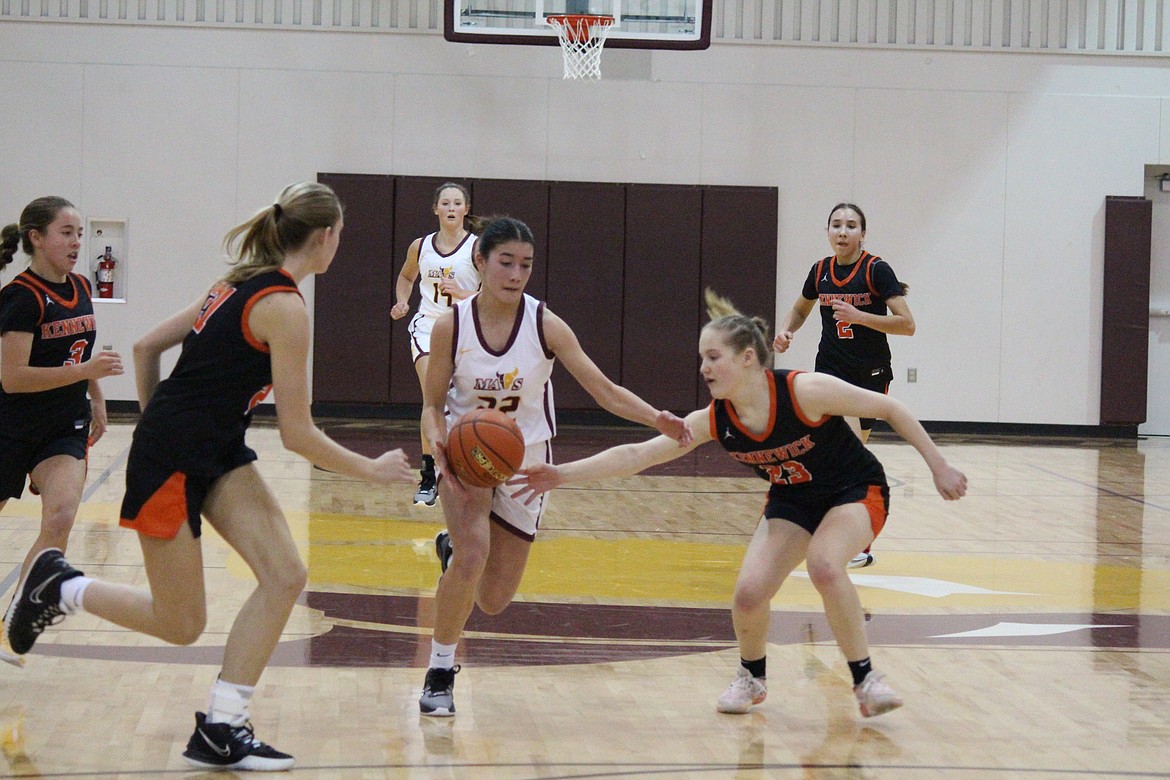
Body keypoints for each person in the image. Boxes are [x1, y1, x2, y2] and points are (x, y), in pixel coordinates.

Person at [3, 182, 416, 771]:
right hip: (177, 456)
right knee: (182, 623)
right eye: (340, 236)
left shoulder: (236, 283)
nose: (338, 245)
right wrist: (369, 469)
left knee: (284, 573)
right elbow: (298, 435)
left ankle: (223, 726)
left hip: (212, 449)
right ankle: (60, 587)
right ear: (325, 237)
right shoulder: (285, 307)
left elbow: (147, 348)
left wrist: (159, 421)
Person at [512, 289, 966, 720]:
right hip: (794, 499)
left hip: (854, 490)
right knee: (749, 594)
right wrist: (560, 474)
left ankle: (866, 680)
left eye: (713, 358)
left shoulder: (803, 391)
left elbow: (891, 410)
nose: (704, 369)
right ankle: (752, 677)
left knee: (825, 565)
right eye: (701, 359)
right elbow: (639, 454)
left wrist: (939, 467)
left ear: (748, 358)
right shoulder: (715, 419)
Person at [416, 216, 692, 717]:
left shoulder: (545, 323)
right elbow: (432, 406)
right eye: (506, 261)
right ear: (480, 260)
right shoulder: (450, 325)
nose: (516, 273)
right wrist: (437, 445)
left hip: (527, 461)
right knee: (473, 552)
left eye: (525, 264)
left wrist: (657, 418)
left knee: (495, 599)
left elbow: (604, 390)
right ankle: (439, 670)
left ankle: (450, 556)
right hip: (466, 457)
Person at [0, 197, 123, 665]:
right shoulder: (20, 297)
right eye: (66, 233)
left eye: (79, 234)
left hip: (63, 428)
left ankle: (17, 619)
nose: (76, 243)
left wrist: (95, 395)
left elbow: (80, 347)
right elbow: (12, 378)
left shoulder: (81, 285)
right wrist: (86, 372)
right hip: (11, 427)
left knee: (60, 518)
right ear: (36, 237)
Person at [774, 203, 915, 568]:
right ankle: (840, 536)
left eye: (851, 225)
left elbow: (907, 324)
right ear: (828, 232)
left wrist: (861, 317)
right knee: (834, 456)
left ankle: (853, 534)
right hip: (829, 373)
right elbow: (802, 308)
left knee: (847, 459)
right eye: (836, 225)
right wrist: (788, 330)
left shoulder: (876, 270)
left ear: (862, 234)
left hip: (868, 376)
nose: (842, 231)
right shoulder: (820, 271)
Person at [391, 183, 483, 507]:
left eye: (457, 203)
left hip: (466, 330)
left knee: (461, 406)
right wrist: (403, 301)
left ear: (465, 209)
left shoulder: (478, 248)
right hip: (428, 326)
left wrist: (463, 294)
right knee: (435, 399)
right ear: (436, 209)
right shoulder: (421, 246)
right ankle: (430, 476)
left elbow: (496, 296)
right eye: (445, 202)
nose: (451, 208)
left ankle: (465, 470)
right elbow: (406, 277)